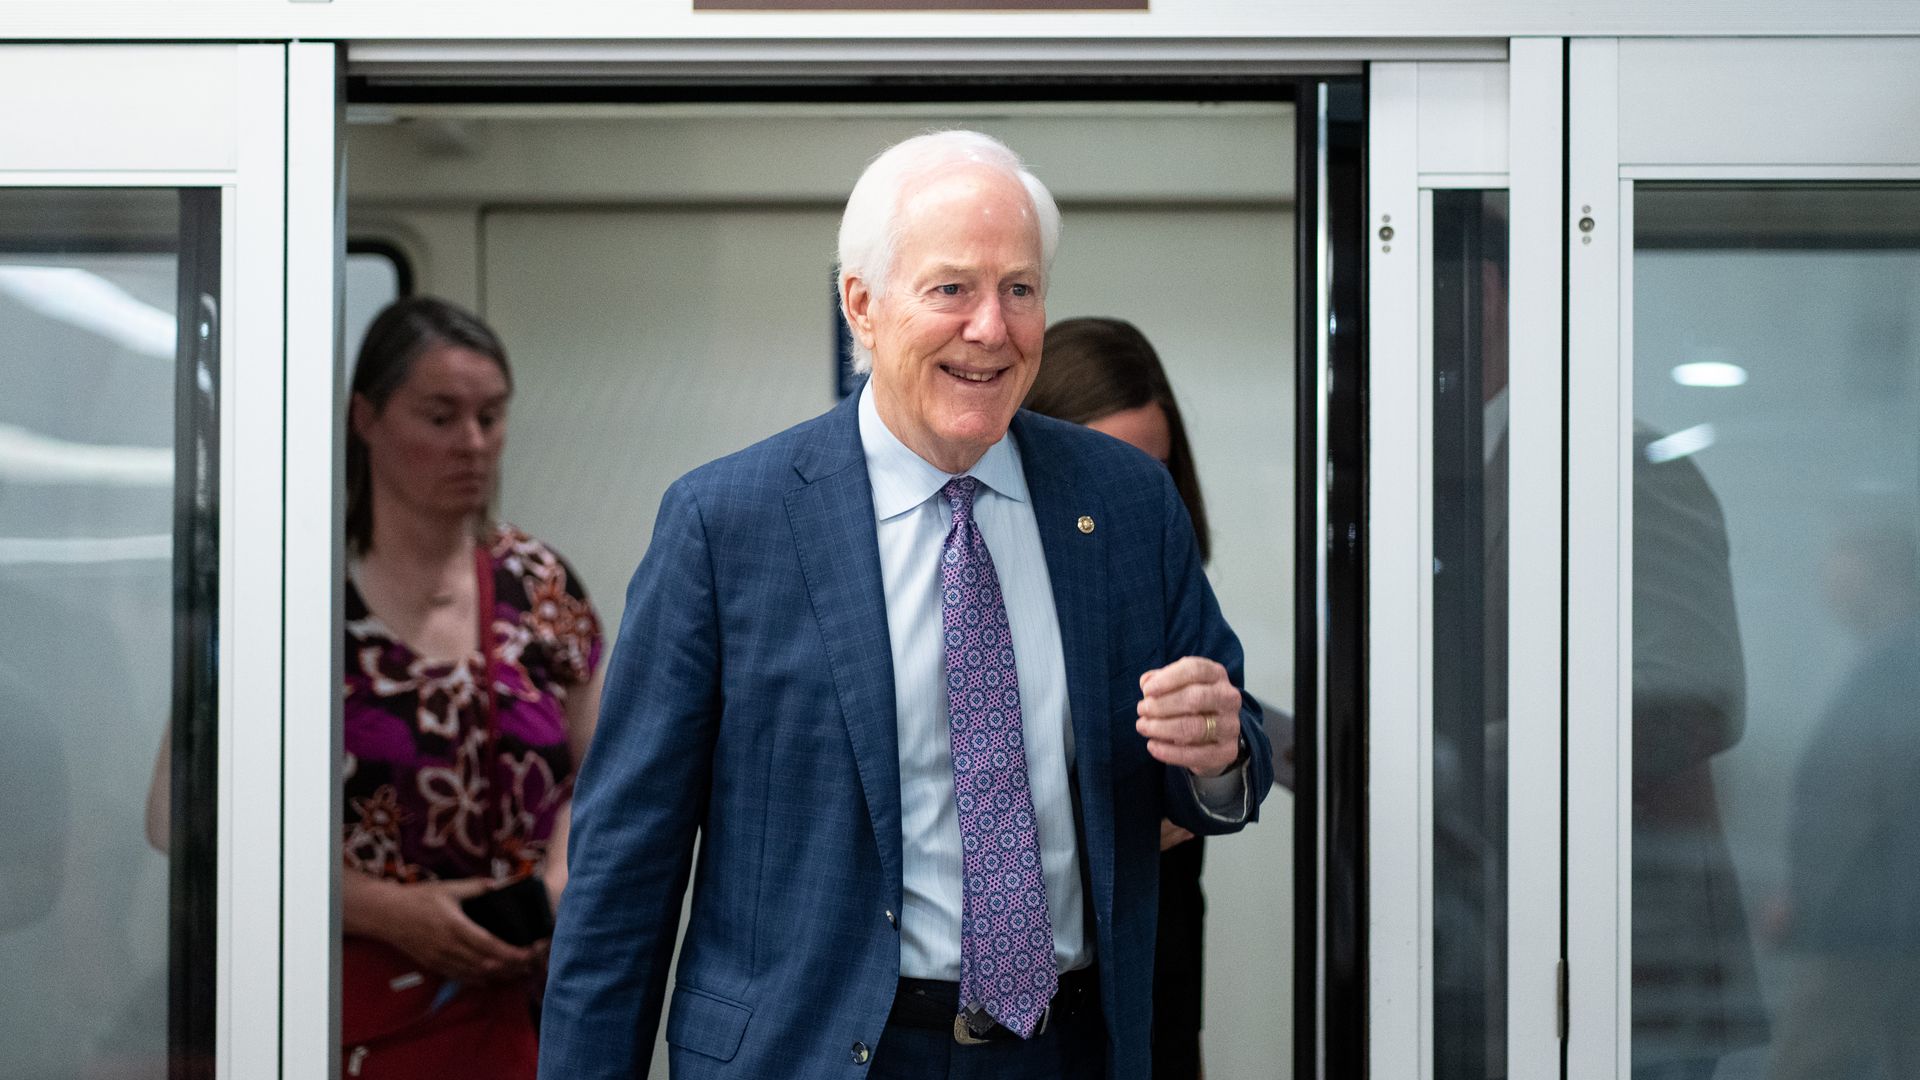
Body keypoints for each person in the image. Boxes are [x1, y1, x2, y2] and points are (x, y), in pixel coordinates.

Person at [539, 130, 1275, 1080]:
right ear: (864, 304)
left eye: (1019, 289)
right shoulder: (728, 526)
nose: (991, 328)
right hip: (814, 1054)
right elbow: (623, 874)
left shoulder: (1126, 502)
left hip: (1067, 1051)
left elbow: (1226, 752)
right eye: (951, 289)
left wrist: (1219, 754)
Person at [337, 297, 603, 1077]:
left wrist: (558, 886)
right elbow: (184, 821)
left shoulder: (538, 583)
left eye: (491, 417)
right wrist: (388, 910)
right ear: (367, 418)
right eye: (441, 417)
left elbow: (605, 770)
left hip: (522, 999)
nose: (474, 444)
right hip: (358, 1000)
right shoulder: (298, 597)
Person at [1024, 315, 1293, 1080]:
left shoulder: (1166, 572)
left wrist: (1219, 759)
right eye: (1110, 465)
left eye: (1157, 469)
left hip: (1157, 920)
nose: (1138, 496)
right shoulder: (978, 571)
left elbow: (1218, 741)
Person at [1765, 523, 1920, 1079]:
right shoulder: (1886, 664)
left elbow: (1855, 807)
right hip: (1880, 917)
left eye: (1842, 576)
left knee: (1807, 1064)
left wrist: (1808, 902)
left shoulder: (1897, 669)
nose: (1829, 592)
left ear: (1888, 578)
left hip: (1863, 921)